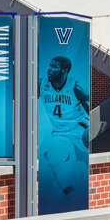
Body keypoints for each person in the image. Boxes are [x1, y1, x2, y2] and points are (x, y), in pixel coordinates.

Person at [37, 53, 89, 206]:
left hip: (79, 128)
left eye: (54, 67)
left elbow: (89, 110)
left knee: (84, 164)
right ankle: (72, 196)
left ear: (64, 71)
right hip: (60, 132)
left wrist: (90, 131)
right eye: (49, 65)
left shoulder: (76, 87)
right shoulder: (41, 84)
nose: (49, 69)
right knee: (53, 157)